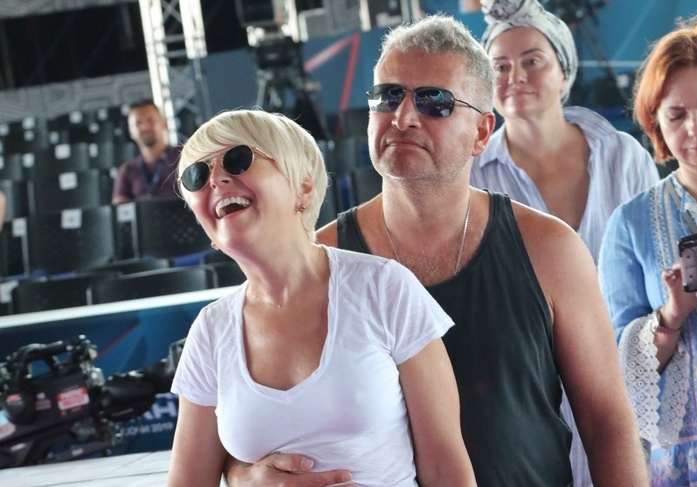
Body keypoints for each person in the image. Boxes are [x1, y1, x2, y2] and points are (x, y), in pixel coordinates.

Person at [224, 14, 649, 486]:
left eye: (435, 102)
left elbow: (607, 423)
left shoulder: (549, 250)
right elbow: (244, 426)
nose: (403, 117)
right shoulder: (317, 260)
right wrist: (245, 477)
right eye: (388, 97)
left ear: (482, 133)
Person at [167, 109, 476, 487]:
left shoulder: (383, 287)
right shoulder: (211, 331)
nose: (215, 178)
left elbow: (447, 471)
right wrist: (242, 481)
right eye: (197, 175)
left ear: (303, 189)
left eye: (238, 159)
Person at [470, 1, 659, 484]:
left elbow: (657, 269)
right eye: (499, 66)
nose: (515, 76)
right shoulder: (471, 177)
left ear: (564, 72)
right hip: (527, 398)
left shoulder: (622, 155)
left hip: (629, 383)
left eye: (532, 60)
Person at [598, 18, 697, 485]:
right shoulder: (630, 224)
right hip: (689, 465)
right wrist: (670, 316)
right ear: (656, 124)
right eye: (676, 116)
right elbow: (616, 368)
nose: (696, 129)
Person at [111, 99, 180, 204]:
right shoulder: (126, 171)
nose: (145, 127)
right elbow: (119, 208)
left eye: (150, 120)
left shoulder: (183, 156)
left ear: (164, 124)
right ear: (131, 132)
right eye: (138, 123)